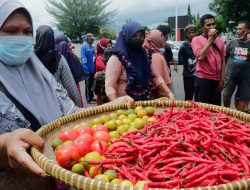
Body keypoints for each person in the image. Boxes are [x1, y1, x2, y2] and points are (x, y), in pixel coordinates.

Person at [0, 1, 134, 189]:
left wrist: (109, 108)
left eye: (27, 31)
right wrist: (4, 145)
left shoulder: (39, 73)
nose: (21, 38)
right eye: (11, 31)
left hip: (60, 179)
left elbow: (72, 116)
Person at [105, 21, 174, 101]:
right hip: (123, 107)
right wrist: (115, 103)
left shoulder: (145, 56)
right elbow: (110, 85)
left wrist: (169, 93)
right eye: (134, 36)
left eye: (141, 36)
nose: (138, 39)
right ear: (127, 36)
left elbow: (157, 77)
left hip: (144, 105)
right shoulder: (117, 58)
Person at [34, 25, 82, 107]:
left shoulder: (31, 58)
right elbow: (71, 87)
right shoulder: (58, 58)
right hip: (58, 104)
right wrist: (78, 106)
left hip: (37, 105)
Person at [191, 14, 225, 105]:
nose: (212, 27)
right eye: (208, 25)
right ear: (202, 27)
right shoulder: (196, 39)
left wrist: (222, 79)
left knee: (216, 109)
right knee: (202, 109)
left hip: (217, 80)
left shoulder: (220, 41)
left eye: (213, 24)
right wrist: (210, 39)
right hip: (203, 80)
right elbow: (200, 56)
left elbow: (222, 60)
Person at [223, 21, 250, 112]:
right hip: (231, 76)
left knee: (242, 98)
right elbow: (225, 58)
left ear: (247, 30)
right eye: (237, 29)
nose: (238, 31)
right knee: (226, 96)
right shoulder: (232, 43)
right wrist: (225, 72)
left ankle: (238, 119)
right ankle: (227, 114)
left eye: (240, 29)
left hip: (245, 78)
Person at [142, 29, 174, 96]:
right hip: (159, 96)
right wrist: (171, 95)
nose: (164, 40)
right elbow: (162, 83)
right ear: (156, 41)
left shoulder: (145, 55)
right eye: (161, 37)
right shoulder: (158, 57)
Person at [56, 35, 85, 107]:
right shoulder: (73, 57)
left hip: (60, 89)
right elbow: (79, 74)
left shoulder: (54, 59)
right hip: (74, 85)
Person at [178, 24, 196, 100]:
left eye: (193, 32)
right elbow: (180, 60)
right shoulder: (183, 46)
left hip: (199, 75)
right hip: (188, 75)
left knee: (199, 96)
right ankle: (187, 111)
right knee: (188, 96)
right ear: (186, 34)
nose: (192, 34)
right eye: (189, 33)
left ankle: (198, 111)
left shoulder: (200, 44)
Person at [81, 33, 96, 104]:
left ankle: (92, 97)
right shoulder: (84, 46)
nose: (93, 40)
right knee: (88, 84)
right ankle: (88, 99)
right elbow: (83, 59)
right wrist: (86, 69)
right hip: (87, 70)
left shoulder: (91, 46)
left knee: (91, 84)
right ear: (87, 39)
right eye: (92, 39)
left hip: (92, 69)